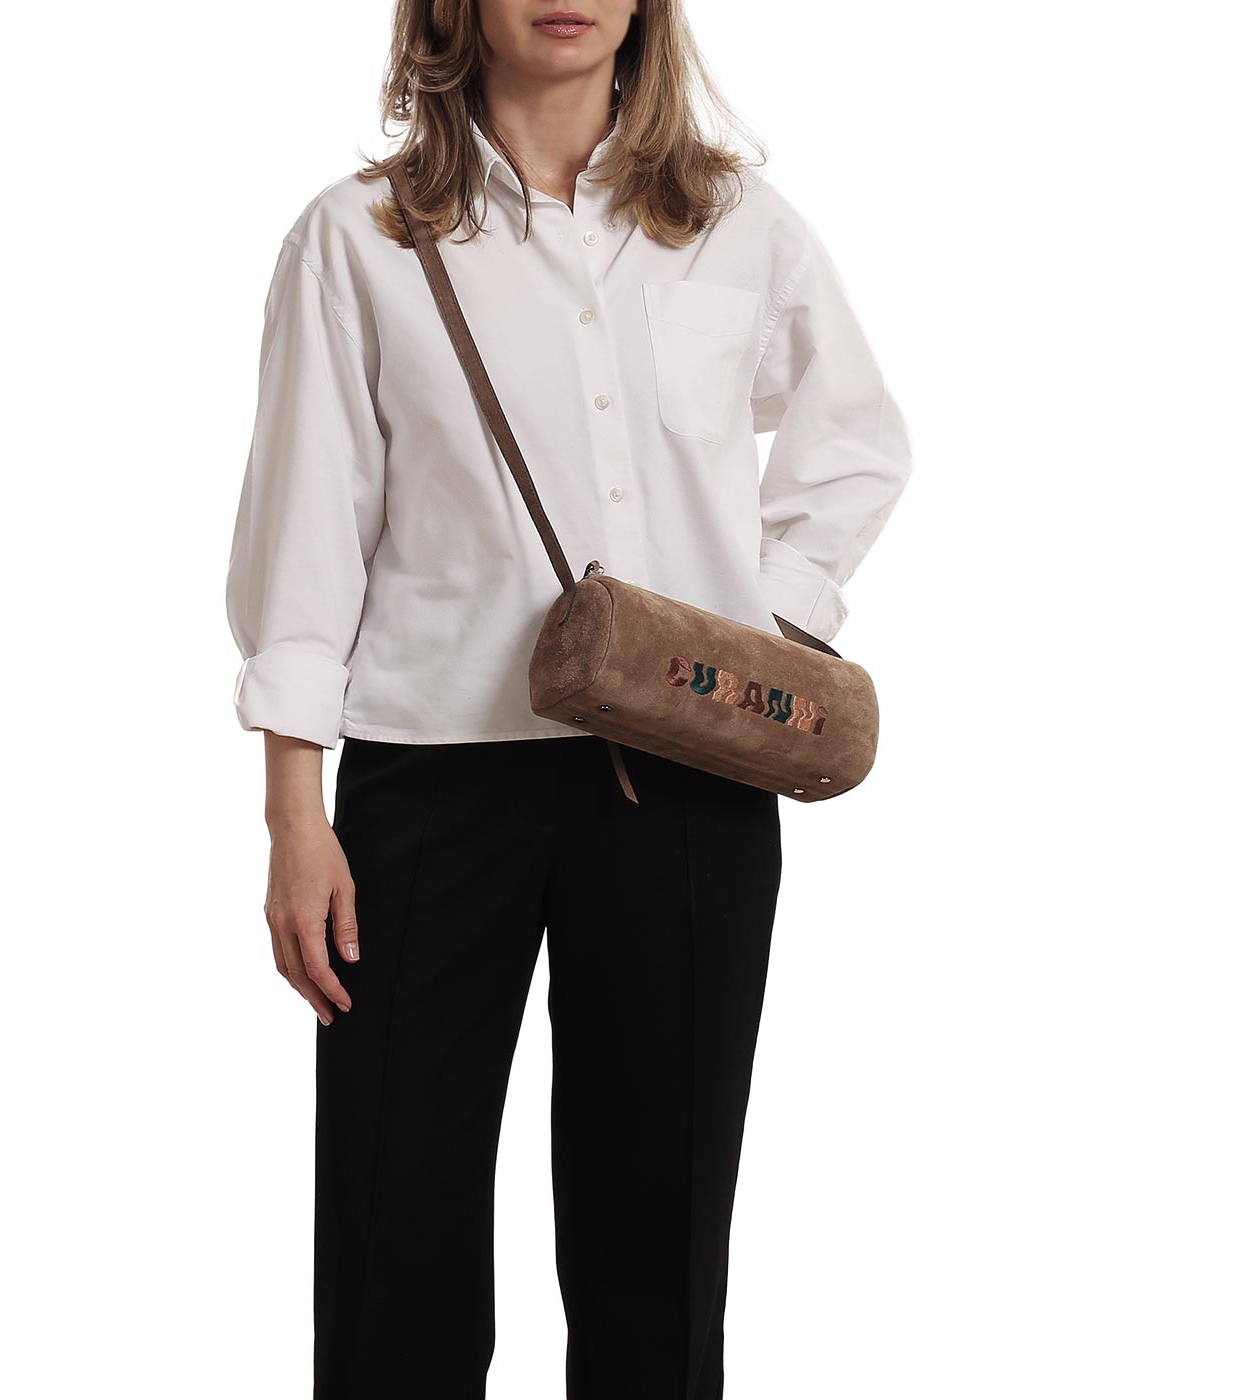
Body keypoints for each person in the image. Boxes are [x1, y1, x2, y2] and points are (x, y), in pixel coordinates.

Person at [225, 2, 913, 1394]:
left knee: (660, 1246)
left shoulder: (737, 226)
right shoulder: (358, 236)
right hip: (432, 780)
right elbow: (304, 536)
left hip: (690, 780)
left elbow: (855, 448)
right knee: (390, 1236)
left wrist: (753, 639)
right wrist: (296, 814)